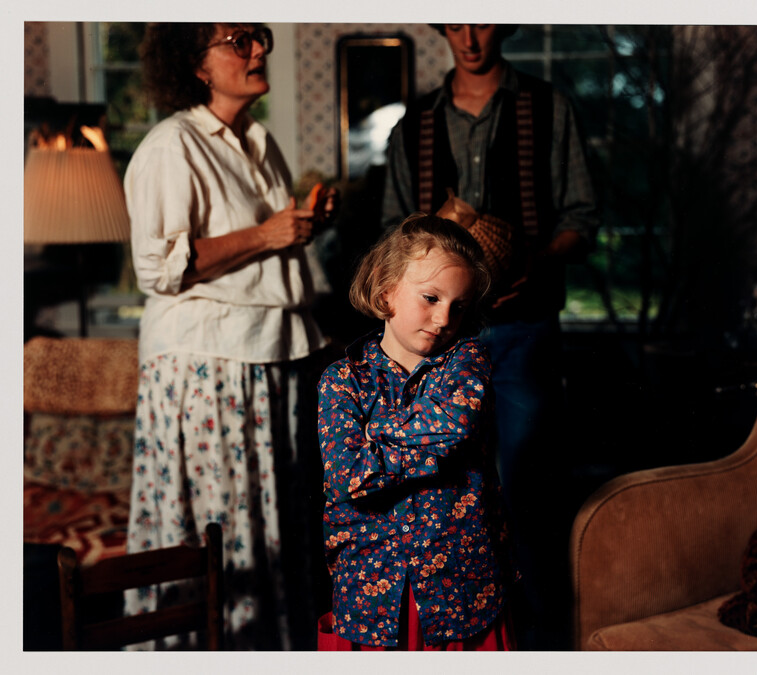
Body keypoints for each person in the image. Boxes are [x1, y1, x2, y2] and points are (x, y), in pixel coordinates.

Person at [381, 23, 599, 647]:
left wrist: (536, 257)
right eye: (454, 21)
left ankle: (540, 643)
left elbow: (583, 220)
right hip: (434, 345)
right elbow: (391, 234)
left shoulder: (549, 109)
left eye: (482, 18)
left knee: (530, 494)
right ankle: (458, 641)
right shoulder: (415, 124)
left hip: (523, 330)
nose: (470, 35)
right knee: (442, 497)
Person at [124, 23, 335, 650]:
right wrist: (267, 235)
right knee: (227, 528)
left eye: (259, 36)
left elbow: (264, 253)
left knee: (273, 528)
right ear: (197, 65)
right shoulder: (172, 145)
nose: (258, 50)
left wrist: (298, 230)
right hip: (209, 363)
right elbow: (159, 266)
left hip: (272, 353)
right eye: (238, 41)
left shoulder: (259, 142)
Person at [315, 214, 517, 650]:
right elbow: (349, 476)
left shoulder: (468, 360)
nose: (444, 318)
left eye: (458, 306)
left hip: (462, 588)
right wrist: (432, 448)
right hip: (372, 590)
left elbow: (455, 425)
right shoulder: (340, 380)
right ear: (386, 290)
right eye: (430, 297)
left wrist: (379, 432)